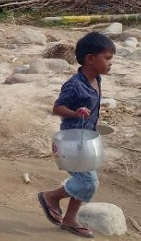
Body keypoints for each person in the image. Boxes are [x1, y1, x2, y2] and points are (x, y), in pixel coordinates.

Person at [37, 31, 116, 239]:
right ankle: (50, 197)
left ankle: (70, 218)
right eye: (107, 58)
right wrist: (75, 112)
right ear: (90, 59)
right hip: (72, 142)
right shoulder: (74, 84)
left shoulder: (96, 78)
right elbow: (57, 108)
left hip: (87, 139)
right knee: (88, 182)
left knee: (85, 178)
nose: (111, 63)